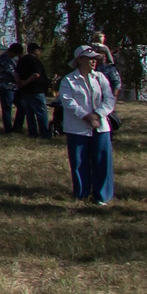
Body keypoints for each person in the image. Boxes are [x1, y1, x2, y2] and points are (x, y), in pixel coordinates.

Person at [56, 45, 118, 206]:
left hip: (100, 125)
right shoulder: (68, 80)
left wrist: (97, 114)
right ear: (80, 60)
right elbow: (68, 102)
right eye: (90, 58)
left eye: (95, 59)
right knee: (79, 161)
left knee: (102, 160)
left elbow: (109, 99)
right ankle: (82, 194)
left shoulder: (100, 78)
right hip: (77, 127)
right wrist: (85, 116)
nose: (93, 62)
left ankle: (102, 196)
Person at [14, 42, 53, 139]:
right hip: (36, 90)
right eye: (39, 50)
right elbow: (36, 74)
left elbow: (16, 73)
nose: (40, 52)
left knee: (29, 113)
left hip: (25, 91)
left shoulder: (22, 60)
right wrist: (26, 82)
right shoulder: (35, 61)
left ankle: (32, 133)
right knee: (41, 113)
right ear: (35, 51)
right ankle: (44, 133)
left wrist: (19, 82)